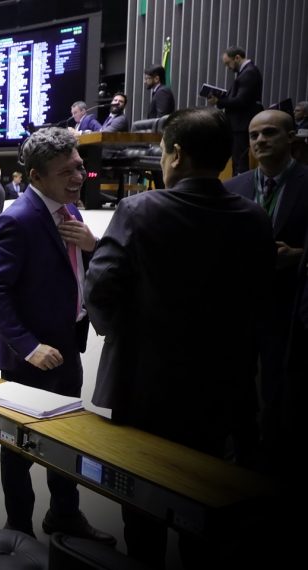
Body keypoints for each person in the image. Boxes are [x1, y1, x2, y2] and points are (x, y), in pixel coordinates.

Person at [86, 106, 274, 568]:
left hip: (145, 388)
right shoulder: (253, 217)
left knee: (143, 506)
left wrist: (122, 333)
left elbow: (100, 286)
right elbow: (261, 298)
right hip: (224, 388)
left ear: (176, 155)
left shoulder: (139, 209)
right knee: (205, 504)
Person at [0, 127, 114, 544]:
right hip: (29, 357)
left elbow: (76, 269)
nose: (78, 178)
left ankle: (64, 515)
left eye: (79, 168)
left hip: (68, 346)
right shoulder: (18, 220)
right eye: (66, 172)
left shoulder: (69, 212)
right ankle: (18, 527)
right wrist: (29, 345)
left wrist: (92, 246)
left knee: (65, 439)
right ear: (36, 177)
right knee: (18, 446)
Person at [224, 109, 308, 458]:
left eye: (270, 133)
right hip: (239, 308)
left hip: (290, 308)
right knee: (235, 387)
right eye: (255, 135)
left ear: (292, 137)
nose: (259, 141)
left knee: (281, 390)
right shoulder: (232, 188)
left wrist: (299, 256)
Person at [209, 46, 263, 175]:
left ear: (237, 58)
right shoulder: (246, 72)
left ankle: (238, 190)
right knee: (238, 161)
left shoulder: (249, 72)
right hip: (239, 123)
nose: (228, 67)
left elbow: (241, 101)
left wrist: (219, 101)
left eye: (228, 63)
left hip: (241, 124)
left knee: (240, 162)